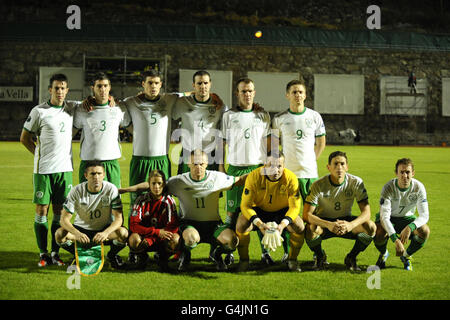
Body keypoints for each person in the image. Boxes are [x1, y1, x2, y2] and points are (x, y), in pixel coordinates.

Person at [120, 149, 247, 272]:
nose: (198, 167)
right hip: (190, 224)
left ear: (207, 163)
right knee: (191, 238)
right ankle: (185, 255)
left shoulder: (216, 178)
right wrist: (126, 189)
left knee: (233, 241)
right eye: (195, 164)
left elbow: (240, 180)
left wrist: (260, 173)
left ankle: (217, 254)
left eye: (201, 164)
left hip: (213, 225)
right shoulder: (179, 181)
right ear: (189, 163)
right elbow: (154, 184)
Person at [221, 77, 279, 266]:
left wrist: (273, 168)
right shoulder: (228, 115)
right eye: (243, 91)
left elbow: (272, 145)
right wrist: (222, 169)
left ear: (254, 93)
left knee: (260, 213)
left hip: (257, 170)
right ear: (237, 93)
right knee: (232, 214)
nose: (247, 94)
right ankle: (229, 250)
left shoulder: (263, 115)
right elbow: (221, 144)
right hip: (235, 169)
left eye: (250, 91)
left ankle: (265, 252)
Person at [20, 73, 76, 267]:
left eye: (63, 88)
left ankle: (55, 252)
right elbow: (24, 137)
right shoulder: (39, 111)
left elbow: (92, 101)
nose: (60, 92)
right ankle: (43, 253)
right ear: (50, 90)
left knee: (60, 213)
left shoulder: (71, 109)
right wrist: (38, 155)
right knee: (42, 209)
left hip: (65, 170)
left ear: (67, 90)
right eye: (56, 88)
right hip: (43, 170)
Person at [303, 151, 376, 271]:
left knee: (371, 227)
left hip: (345, 222)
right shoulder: (318, 184)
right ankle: (320, 256)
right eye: (335, 164)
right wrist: (328, 224)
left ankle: (351, 257)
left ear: (347, 167)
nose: (339, 167)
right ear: (328, 167)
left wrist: (351, 224)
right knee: (310, 229)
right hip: (324, 223)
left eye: (342, 164)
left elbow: (367, 212)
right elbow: (306, 215)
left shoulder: (356, 182)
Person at [236, 151, 305, 272]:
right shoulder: (254, 176)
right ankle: (244, 260)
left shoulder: (291, 178)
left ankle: (292, 260)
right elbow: (245, 206)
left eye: (279, 166)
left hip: (282, 212)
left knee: (299, 226)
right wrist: (259, 223)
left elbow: (295, 207)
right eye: (271, 165)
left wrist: (283, 224)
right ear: (264, 165)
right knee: (241, 224)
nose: (275, 170)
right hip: (259, 210)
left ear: (284, 166)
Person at [55, 160, 128, 269]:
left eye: (99, 173)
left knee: (123, 233)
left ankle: (112, 255)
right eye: (92, 174)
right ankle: (77, 255)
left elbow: (118, 219)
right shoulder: (76, 191)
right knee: (60, 234)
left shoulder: (111, 189)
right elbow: (64, 220)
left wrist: (105, 233)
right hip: (81, 230)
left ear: (104, 175)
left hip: (103, 231)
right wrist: (77, 233)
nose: (96, 177)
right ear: (86, 175)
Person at [271, 79, 326, 203]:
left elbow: (321, 143)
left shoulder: (314, 116)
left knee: (312, 211)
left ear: (305, 95)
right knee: (287, 209)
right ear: (287, 95)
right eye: (294, 92)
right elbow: (273, 146)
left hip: (309, 172)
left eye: (301, 92)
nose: (298, 95)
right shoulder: (279, 118)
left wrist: (311, 159)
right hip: (288, 172)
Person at [73, 72, 130, 188]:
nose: (102, 89)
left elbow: (131, 126)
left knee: (113, 201)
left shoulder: (119, 108)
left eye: (105, 86)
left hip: (111, 163)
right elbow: (73, 130)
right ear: (92, 88)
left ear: (110, 87)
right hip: (89, 163)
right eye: (99, 86)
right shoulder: (82, 109)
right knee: (87, 202)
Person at [374, 158, 430, 271]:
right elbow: (384, 217)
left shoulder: (419, 187)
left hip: (407, 219)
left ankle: (406, 256)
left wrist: (410, 227)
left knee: (424, 231)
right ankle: (384, 253)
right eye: (402, 172)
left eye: (408, 172)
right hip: (390, 218)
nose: (405, 175)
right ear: (396, 173)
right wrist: (396, 240)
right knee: (379, 232)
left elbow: (424, 215)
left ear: (413, 173)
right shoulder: (388, 187)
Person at [172, 70, 227, 174]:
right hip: (187, 154)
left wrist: (221, 165)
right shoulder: (183, 102)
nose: (203, 86)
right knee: (185, 189)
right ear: (193, 85)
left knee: (210, 189)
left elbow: (221, 139)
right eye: (199, 83)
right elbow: (168, 99)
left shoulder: (220, 107)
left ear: (210, 84)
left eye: (206, 83)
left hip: (210, 156)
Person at [128, 170, 180, 272]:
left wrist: (153, 239)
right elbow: (133, 225)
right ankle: (142, 258)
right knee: (134, 239)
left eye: (159, 183)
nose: (156, 187)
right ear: (149, 184)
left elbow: (173, 225)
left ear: (164, 184)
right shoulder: (140, 200)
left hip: (161, 237)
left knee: (175, 239)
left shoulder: (169, 201)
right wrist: (155, 232)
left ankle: (163, 258)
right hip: (144, 237)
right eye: (153, 183)